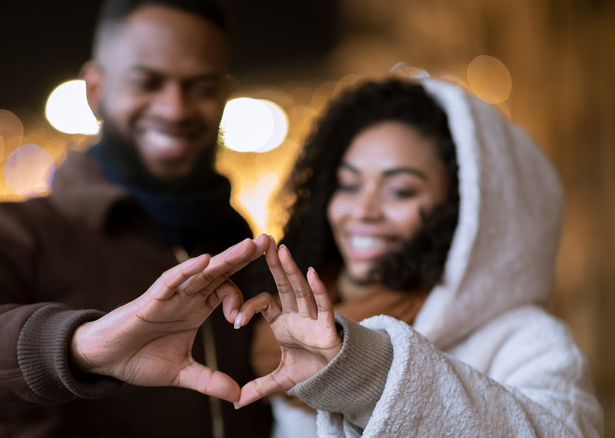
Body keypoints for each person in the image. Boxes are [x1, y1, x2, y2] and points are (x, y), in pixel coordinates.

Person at [0, 1, 273, 437]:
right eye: (146, 83)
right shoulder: (17, 231)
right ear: (95, 91)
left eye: (201, 87)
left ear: (224, 94)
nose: (175, 109)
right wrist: (81, 347)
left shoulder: (239, 244)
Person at [236, 78, 604, 437]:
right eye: (348, 185)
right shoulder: (288, 332)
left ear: (462, 211)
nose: (363, 210)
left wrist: (367, 376)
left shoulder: (528, 340)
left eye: (400, 190)